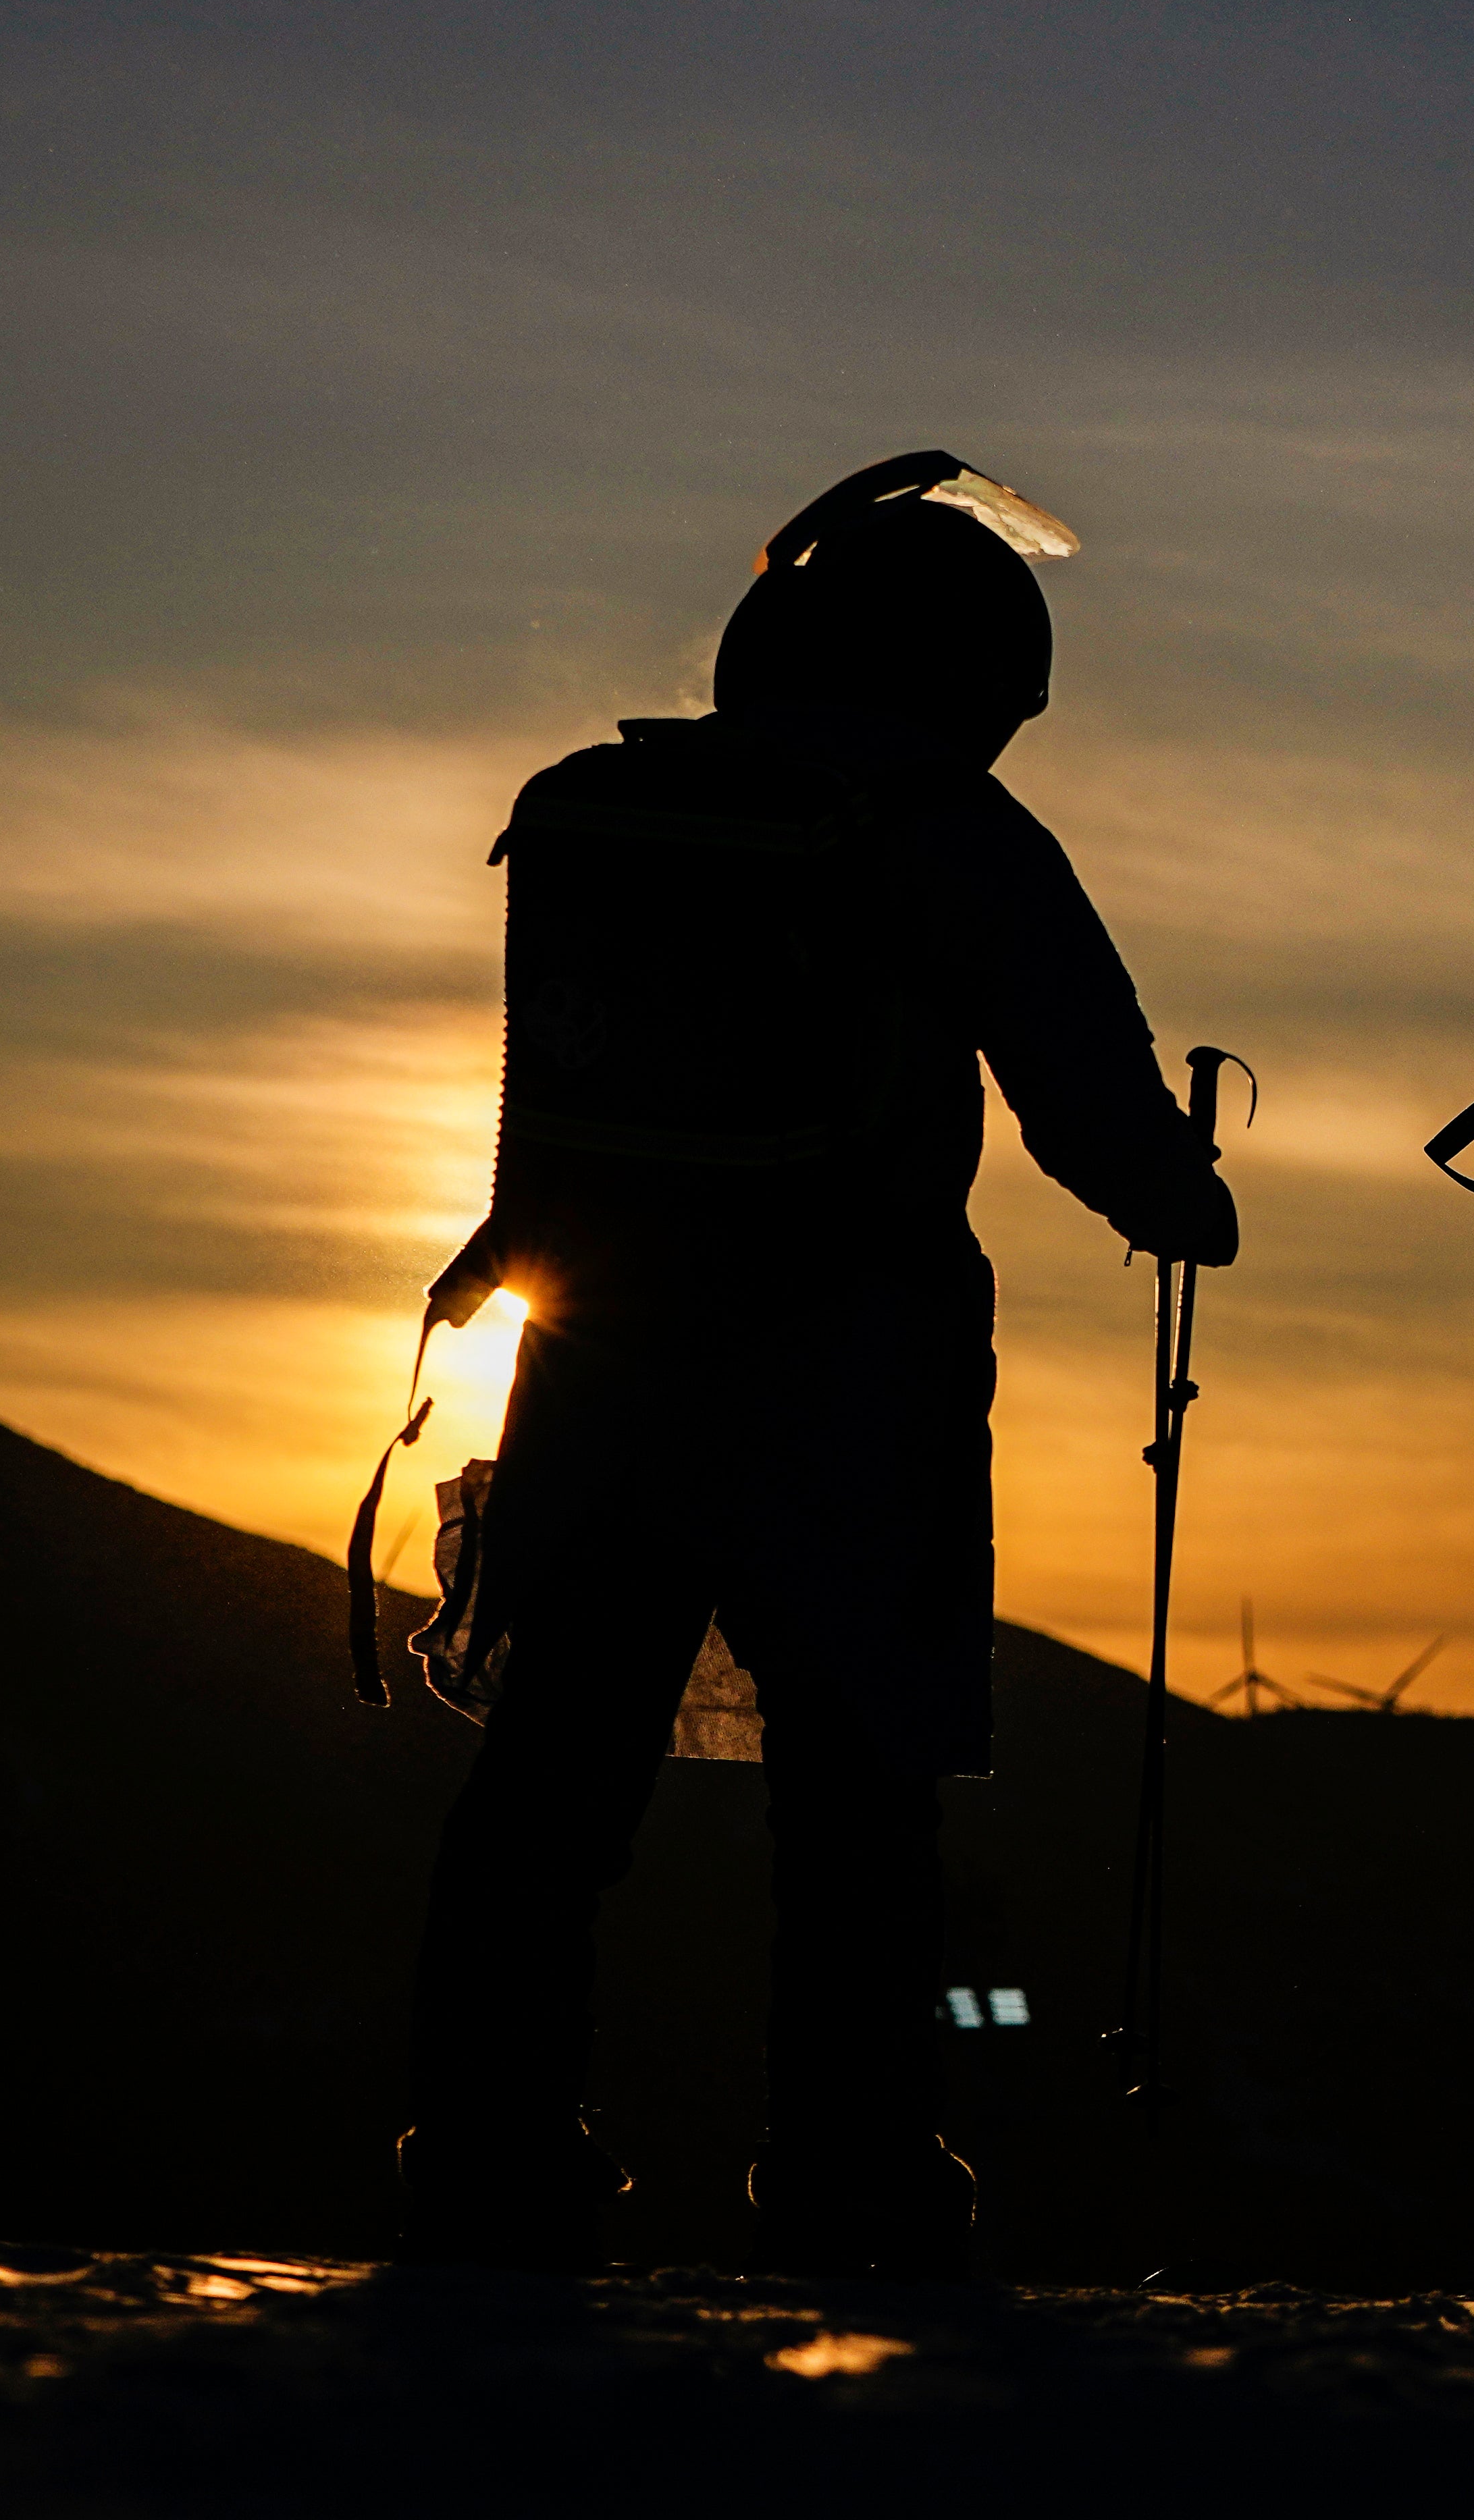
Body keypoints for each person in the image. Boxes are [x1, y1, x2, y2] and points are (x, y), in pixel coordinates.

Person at [396, 452, 1240, 2276]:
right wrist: (1184, 1198)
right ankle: (852, 2172)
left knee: (557, 1772)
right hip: (850, 1369)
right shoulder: (946, 831)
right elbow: (1089, 1098)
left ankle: (486, 2145)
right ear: (970, 678)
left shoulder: (595, 807)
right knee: (857, 1796)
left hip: (604, 1357)